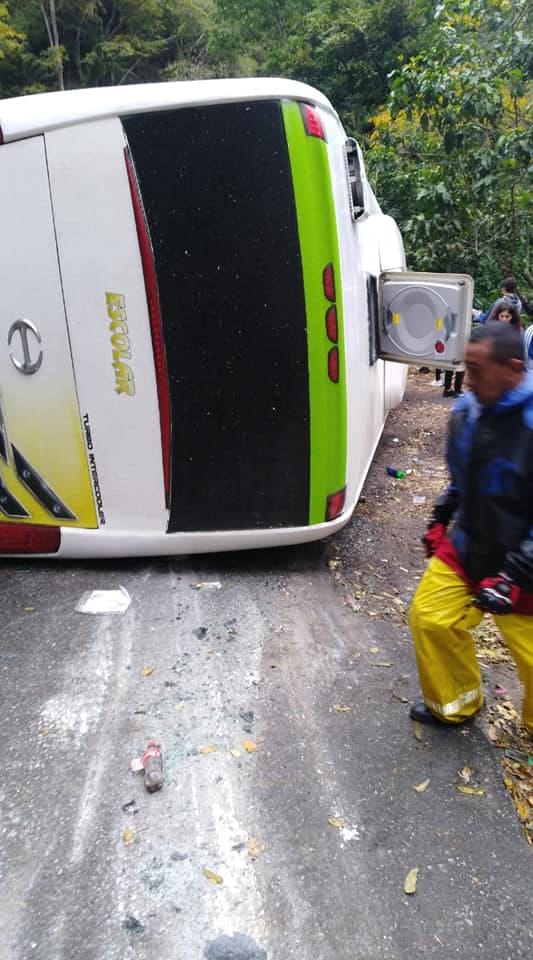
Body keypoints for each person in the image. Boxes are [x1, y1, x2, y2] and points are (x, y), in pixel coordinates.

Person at [408, 322, 533, 733]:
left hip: (523, 568)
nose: (467, 379)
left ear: (513, 367)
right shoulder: (466, 412)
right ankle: (455, 703)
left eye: (477, 369)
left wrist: (513, 576)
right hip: (471, 546)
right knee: (429, 618)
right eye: (467, 367)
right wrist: (442, 517)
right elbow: (464, 479)